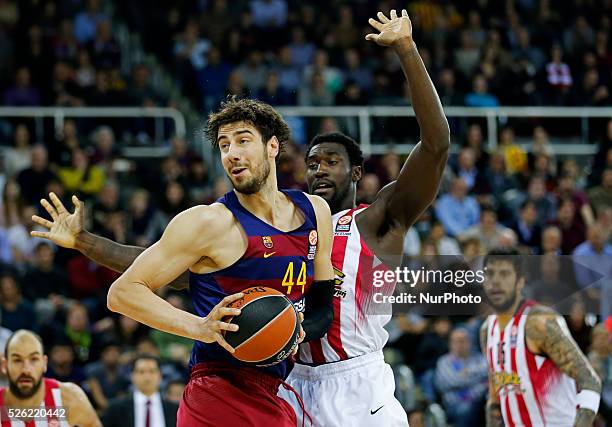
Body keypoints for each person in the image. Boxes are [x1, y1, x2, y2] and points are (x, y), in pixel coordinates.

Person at [32, 8, 449, 426]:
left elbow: (435, 146)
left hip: (356, 383)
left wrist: (407, 49)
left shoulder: (376, 220)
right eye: (313, 162)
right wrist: (86, 242)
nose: (319, 169)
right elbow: (164, 268)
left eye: (332, 161)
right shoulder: (273, 224)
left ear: (357, 172)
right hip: (286, 385)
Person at [34, 98, 335, 426]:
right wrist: (200, 327)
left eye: (243, 140)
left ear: (272, 146)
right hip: (218, 388)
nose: (231, 153)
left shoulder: (315, 211)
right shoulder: (208, 223)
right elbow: (123, 293)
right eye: (224, 145)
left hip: (280, 387)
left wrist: (296, 331)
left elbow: (322, 308)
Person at [480, 248, 602, 427]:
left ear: (520, 281)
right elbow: (495, 398)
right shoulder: (486, 331)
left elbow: (590, 380)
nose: (496, 282)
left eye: (504, 274)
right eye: (490, 274)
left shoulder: (538, 322)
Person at [0, 329, 101, 426]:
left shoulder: (69, 397)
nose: (26, 369)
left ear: (44, 363)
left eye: (34, 359)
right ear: (4, 365)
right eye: (17, 360)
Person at [101, 354, 178, 427]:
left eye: (152, 371)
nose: (147, 377)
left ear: (160, 376)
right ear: (132, 376)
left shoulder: (175, 410)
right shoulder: (115, 409)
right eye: (141, 372)